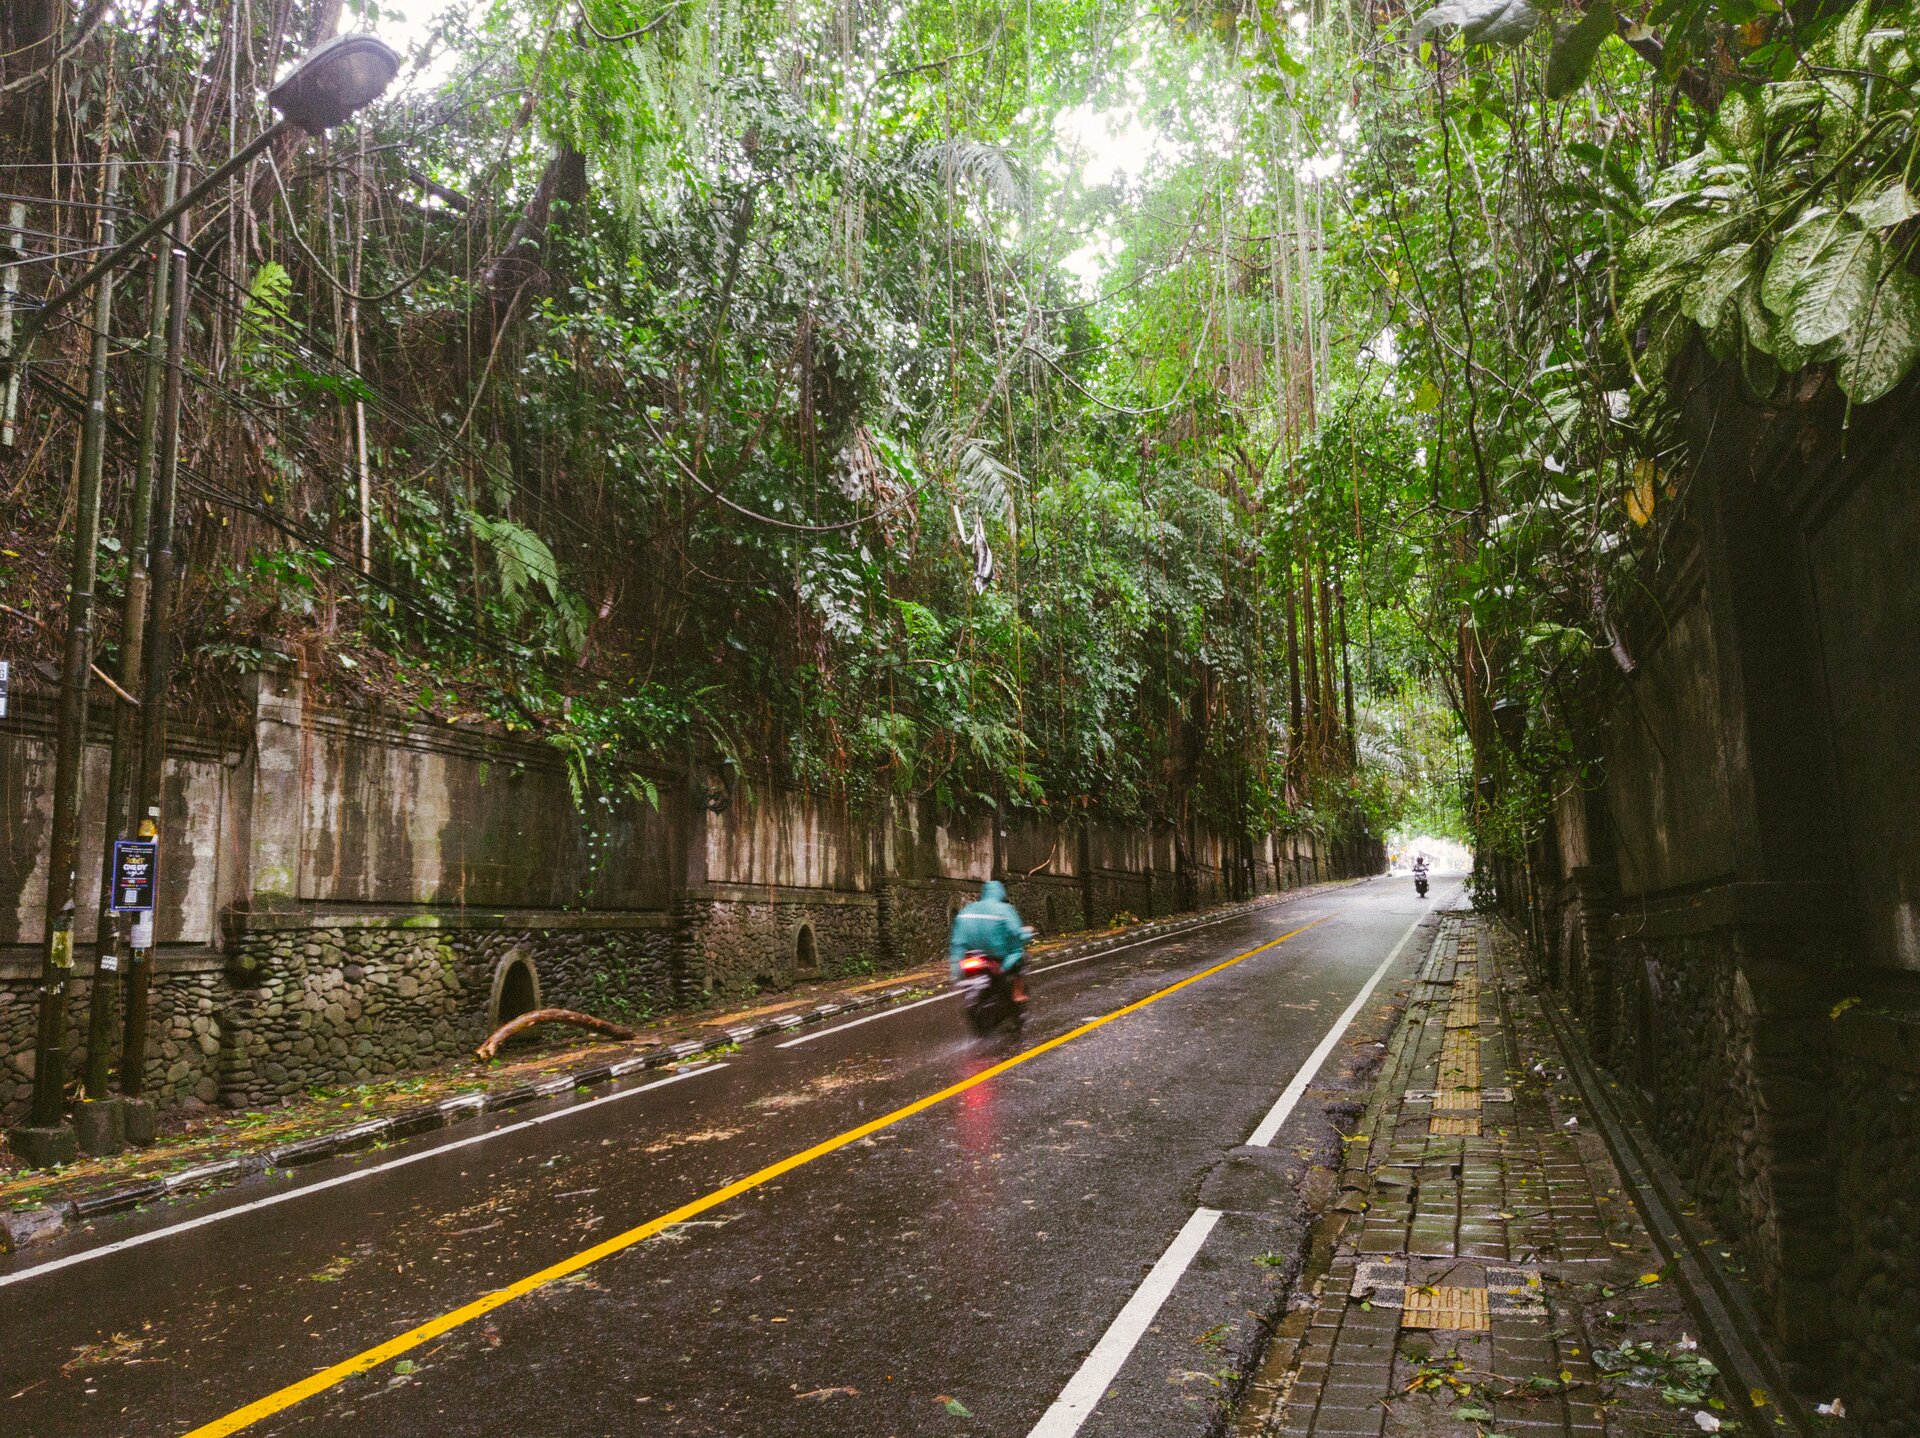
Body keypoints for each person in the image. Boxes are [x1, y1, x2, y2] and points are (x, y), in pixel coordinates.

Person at [948, 879, 1033, 1004]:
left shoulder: (968, 910)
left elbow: (958, 941)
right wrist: (1027, 933)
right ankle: (1017, 994)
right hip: (999, 957)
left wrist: (955, 966)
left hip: (973, 956)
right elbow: (1016, 933)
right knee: (1020, 959)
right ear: (1001, 894)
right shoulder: (1005, 909)